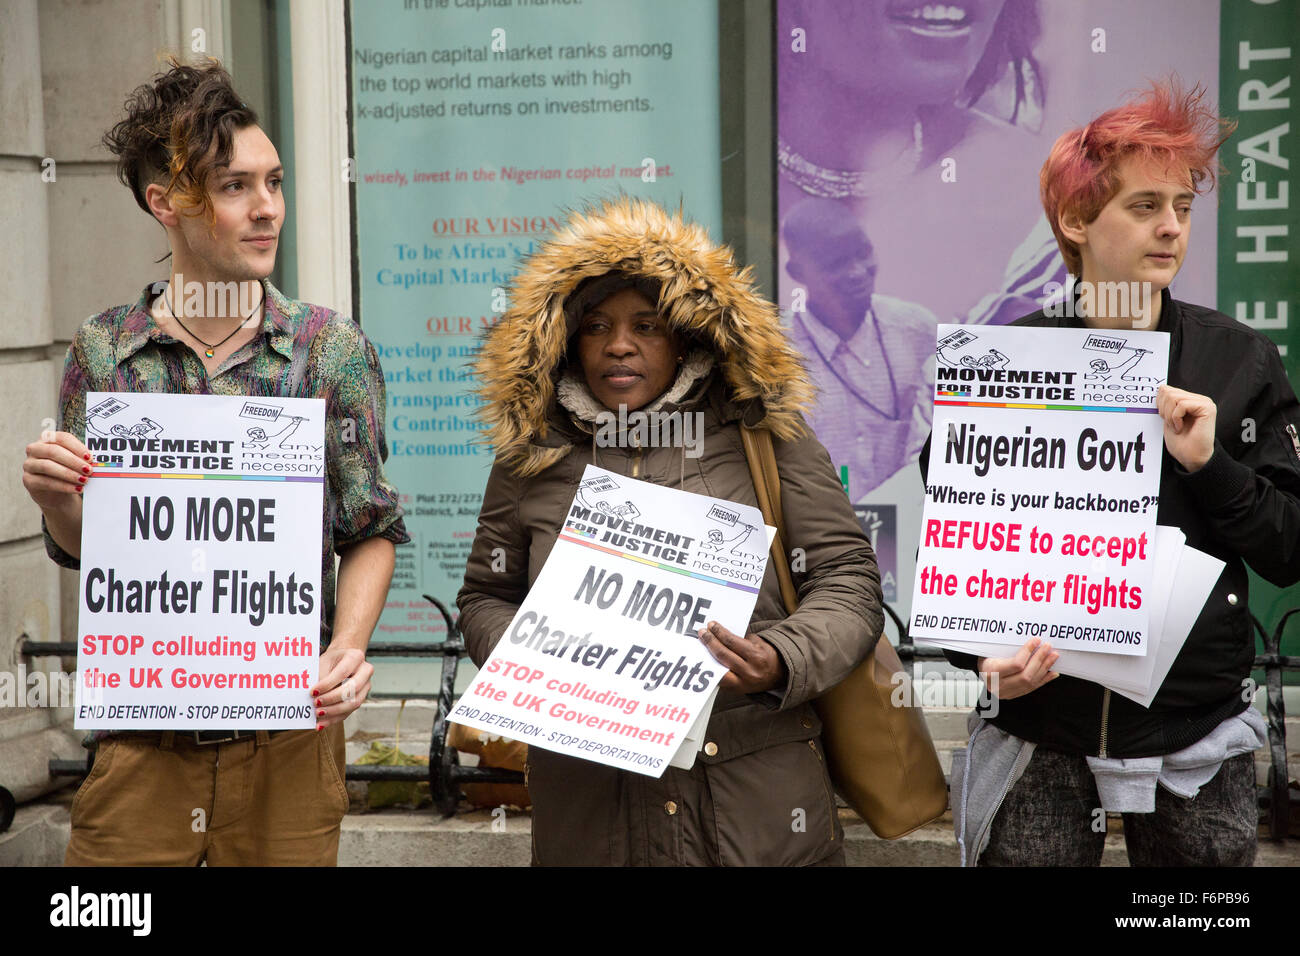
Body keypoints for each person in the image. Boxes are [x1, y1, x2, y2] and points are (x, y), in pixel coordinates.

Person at [20, 57, 408, 866]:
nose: (268, 209)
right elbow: (93, 547)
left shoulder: (329, 351)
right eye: (235, 187)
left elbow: (370, 523)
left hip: (288, 741)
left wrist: (349, 646)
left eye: (273, 182)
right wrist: (57, 499)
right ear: (165, 203)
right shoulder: (106, 348)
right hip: (143, 744)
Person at [456, 197, 883, 866]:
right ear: (568, 341)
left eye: (646, 324)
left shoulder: (762, 434)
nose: (619, 344)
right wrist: (538, 663)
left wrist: (782, 657)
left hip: (756, 817)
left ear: (686, 335)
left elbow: (849, 582)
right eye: (595, 325)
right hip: (593, 816)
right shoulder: (532, 455)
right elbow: (485, 596)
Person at [937, 82, 1300, 866]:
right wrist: (979, 659)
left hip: (1193, 736)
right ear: (1076, 221)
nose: (1172, 226)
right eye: (1143, 206)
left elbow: (1290, 549)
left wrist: (1210, 466)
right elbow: (958, 550)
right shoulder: (999, 366)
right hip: (1039, 733)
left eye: (1183, 204)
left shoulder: (1239, 360)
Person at [783, 199, 938, 498]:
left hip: (906, 529)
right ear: (797, 272)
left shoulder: (919, 330)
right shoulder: (775, 351)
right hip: (818, 535)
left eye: (863, 253)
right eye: (836, 263)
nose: (857, 272)